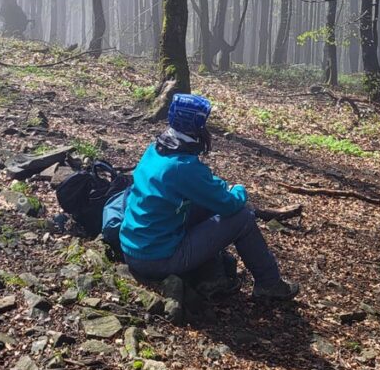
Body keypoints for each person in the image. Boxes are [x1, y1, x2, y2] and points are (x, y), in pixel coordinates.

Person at [119, 93, 299, 301]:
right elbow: (229, 204)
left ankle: (214, 276)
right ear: (197, 125)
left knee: (204, 206)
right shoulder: (182, 167)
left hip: (134, 249)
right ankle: (269, 284)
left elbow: (203, 187)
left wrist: (218, 190)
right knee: (243, 216)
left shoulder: (156, 149)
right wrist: (239, 189)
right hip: (158, 259)